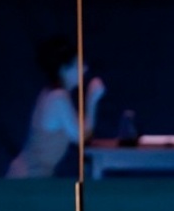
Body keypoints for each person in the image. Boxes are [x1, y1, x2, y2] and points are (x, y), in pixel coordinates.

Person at [6, 34, 106, 178]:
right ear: (63, 69)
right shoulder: (57, 98)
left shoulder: (55, 95)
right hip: (27, 177)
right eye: (79, 65)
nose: (85, 69)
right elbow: (82, 138)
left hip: (34, 175)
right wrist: (92, 100)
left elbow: (81, 130)